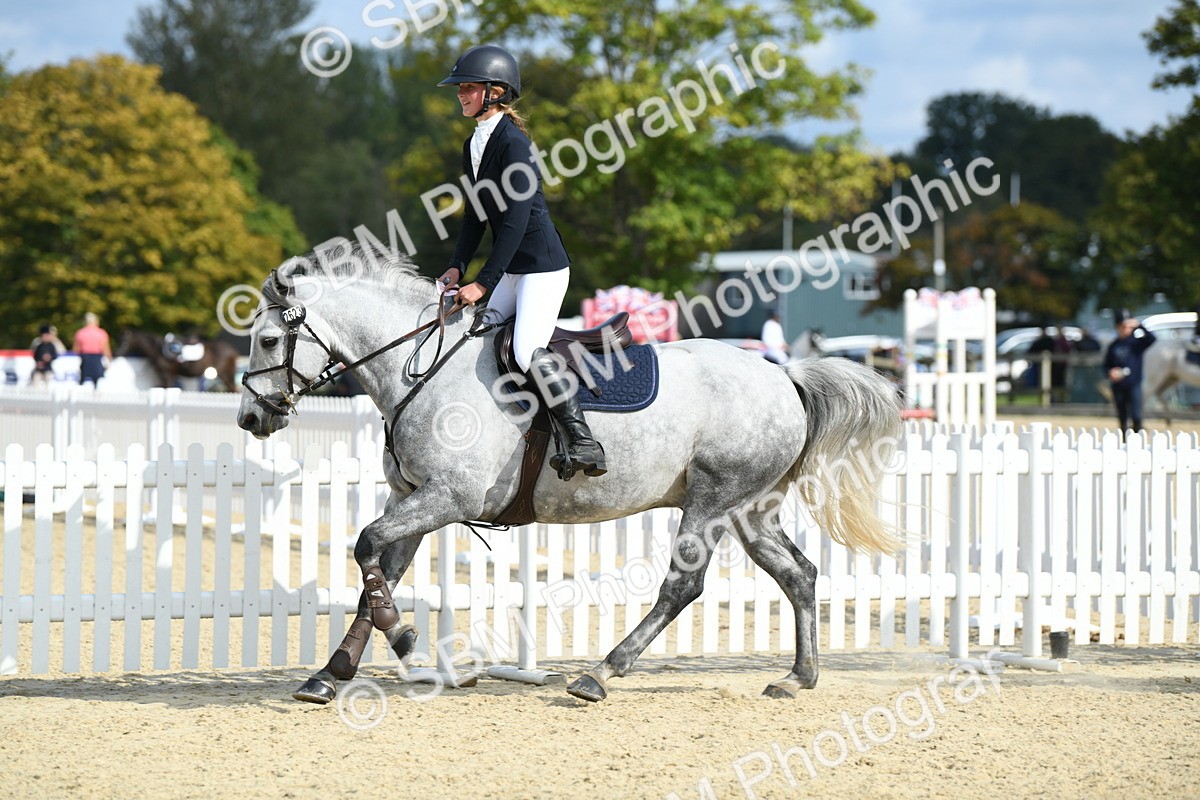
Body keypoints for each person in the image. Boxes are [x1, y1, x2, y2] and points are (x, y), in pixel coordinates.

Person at [434, 45, 604, 480]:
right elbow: (475, 216)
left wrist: (483, 283)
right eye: (460, 88)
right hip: (512, 269)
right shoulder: (474, 143)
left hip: (542, 268)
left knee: (526, 349)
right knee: (477, 336)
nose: (460, 94)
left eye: (468, 87)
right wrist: (457, 265)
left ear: (495, 92)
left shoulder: (514, 143)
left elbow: (514, 221)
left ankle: (583, 440)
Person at [1103, 314, 1157, 434]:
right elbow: (1106, 365)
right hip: (1118, 385)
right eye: (1122, 326)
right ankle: (1124, 439)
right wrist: (1110, 372)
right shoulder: (1113, 345)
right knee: (1122, 417)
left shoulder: (1136, 343)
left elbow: (1152, 339)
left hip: (1134, 384)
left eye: (1127, 326)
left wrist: (1139, 325)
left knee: (1136, 416)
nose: (1125, 329)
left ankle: (1137, 437)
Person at [73, 311, 112, 387]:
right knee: (98, 381)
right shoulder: (101, 333)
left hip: (85, 359)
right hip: (97, 359)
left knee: (83, 380)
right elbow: (106, 349)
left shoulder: (80, 333)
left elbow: (76, 350)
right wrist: (109, 359)